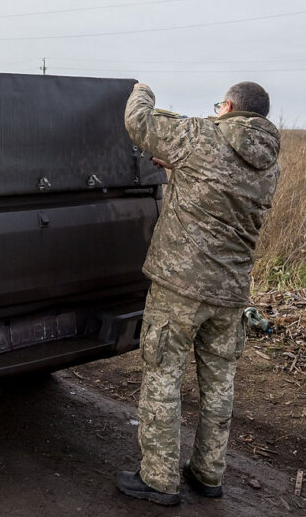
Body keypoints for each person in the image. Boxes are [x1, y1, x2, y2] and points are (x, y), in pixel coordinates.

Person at [116, 81, 280, 506]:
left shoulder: (200, 134)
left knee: (163, 376)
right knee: (220, 382)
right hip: (230, 292)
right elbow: (221, 188)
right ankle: (208, 474)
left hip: (181, 286)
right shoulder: (269, 163)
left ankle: (159, 478)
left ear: (227, 106)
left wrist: (142, 90)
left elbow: (139, 121)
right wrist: (180, 167)